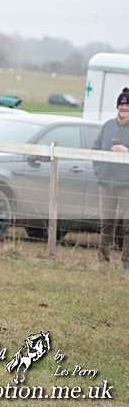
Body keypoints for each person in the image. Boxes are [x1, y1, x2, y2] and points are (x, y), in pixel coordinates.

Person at [92, 87, 129, 270]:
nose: (124, 108)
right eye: (121, 105)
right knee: (106, 224)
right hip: (106, 183)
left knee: (127, 226)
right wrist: (99, 170)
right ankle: (103, 260)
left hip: (126, 185)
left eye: (127, 105)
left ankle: (126, 263)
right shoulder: (108, 126)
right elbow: (96, 147)